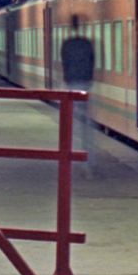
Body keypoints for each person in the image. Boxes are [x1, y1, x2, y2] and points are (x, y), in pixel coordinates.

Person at [61, 17, 96, 175]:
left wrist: (67, 79)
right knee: (86, 122)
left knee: (73, 120)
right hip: (86, 84)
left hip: (72, 84)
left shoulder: (67, 44)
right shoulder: (87, 43)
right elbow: (92, 62)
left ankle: (76, 157)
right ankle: (87, 159)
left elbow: (65, 64)